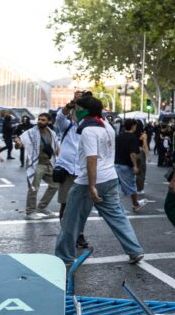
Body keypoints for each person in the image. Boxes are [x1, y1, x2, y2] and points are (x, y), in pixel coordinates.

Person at [54, 95, 145, 265]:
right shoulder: (107, 126)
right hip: (110, 177)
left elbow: (92, 159)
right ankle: (135, 250)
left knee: (70, 219)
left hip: (89, 180)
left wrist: (92, 186)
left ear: (84, 111)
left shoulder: (88, 131)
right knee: (117, 216)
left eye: (77, 109)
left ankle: (63, 257)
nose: (73, 112)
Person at [55, 91, 91, 249]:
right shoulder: (67, 125)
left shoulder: (90, 127)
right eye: (75, 110)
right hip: (68, 170)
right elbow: (60, 117)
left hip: (84, 172)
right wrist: (71, 103)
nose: (77, 113)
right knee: (65, 203)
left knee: (82, 206)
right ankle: (66, 234)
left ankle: (79, 234)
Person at [20, 112, 59, 219]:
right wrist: (18, 143)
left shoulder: (52, 133)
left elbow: (56, 147)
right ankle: (30, 212)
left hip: (48, 163)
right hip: (36, 164)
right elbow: (21, 140)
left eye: (43, 120)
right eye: (39, 119)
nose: (40, 122)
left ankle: (42, 206)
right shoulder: (31, 132)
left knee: (55, 184)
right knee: (33, 188)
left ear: (49, 122)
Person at [114, 119, 142, 212]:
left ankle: (114, 205)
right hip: (126, 166)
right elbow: (132, 153)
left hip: (116, 164)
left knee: (116, 187)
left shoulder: (118, 136)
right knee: (131, 186)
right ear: (133, 126)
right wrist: (135, 165)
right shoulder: (133, 138)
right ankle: (135, 204)